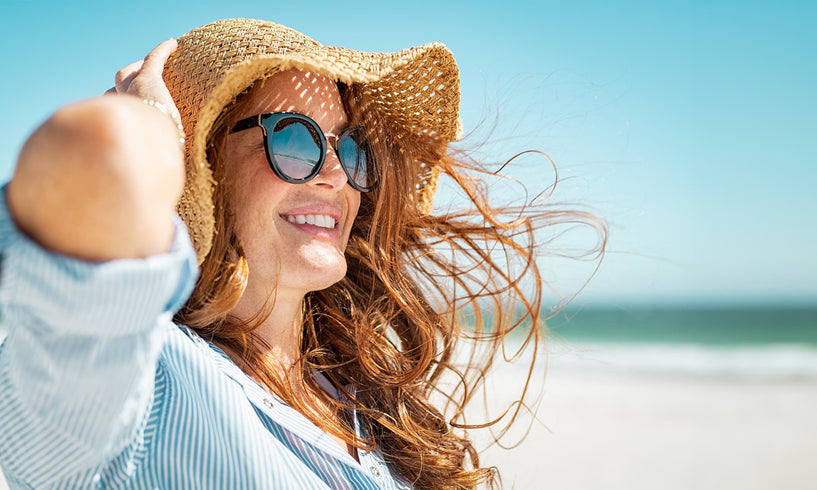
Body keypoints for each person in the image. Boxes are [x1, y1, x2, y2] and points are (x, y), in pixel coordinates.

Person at [0, 18, 603, 489]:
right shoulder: (137, 387)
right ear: (201, 165)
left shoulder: (359, 398)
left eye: (352, 146)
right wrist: (151, 126)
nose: (337, 175)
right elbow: (92, 151)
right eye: (293, 138)